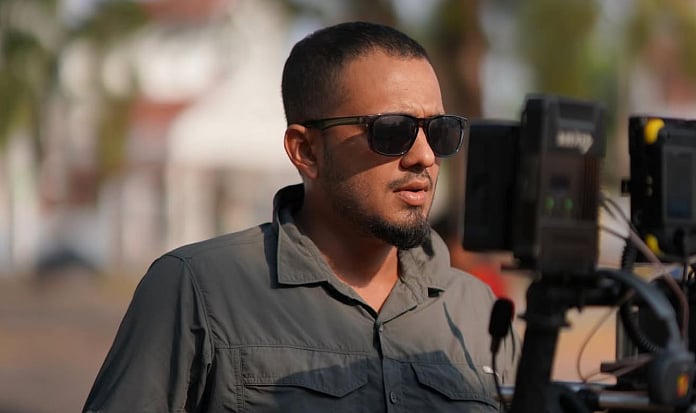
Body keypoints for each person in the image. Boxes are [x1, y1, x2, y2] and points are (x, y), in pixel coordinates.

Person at [83, 21, 518, 413]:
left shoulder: (476, 311)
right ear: (306, 150)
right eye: (392, 131)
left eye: (440, 131)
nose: (424, 156)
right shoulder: (198, 289)